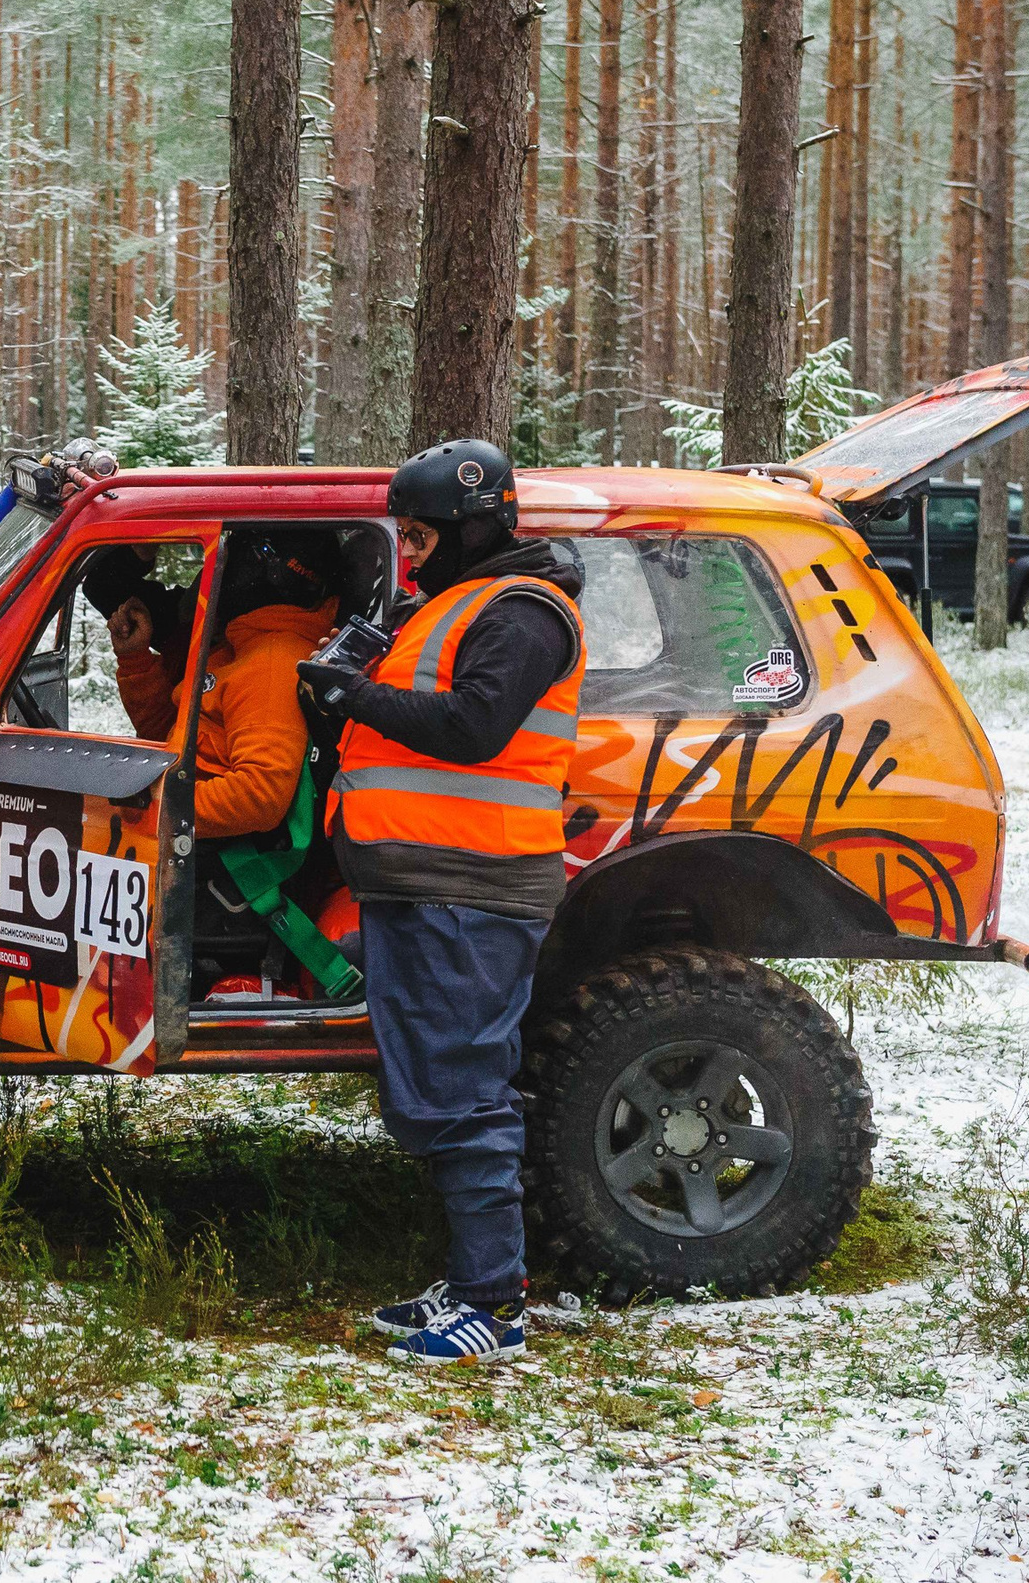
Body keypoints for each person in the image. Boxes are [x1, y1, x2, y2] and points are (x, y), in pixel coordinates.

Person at [297, 440, 584, 1368]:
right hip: (425, 884)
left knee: (464, 1091)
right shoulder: (457, 602)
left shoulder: (523, 612)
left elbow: (474, 727)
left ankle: (493, 1304)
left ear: (472, 525)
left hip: (473, 890)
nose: (410, 555)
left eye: (421, 537)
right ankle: (470, 1280)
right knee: (434, 1087)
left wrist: (355, 697)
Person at [110, 529, 342, 839]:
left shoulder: (271, 662)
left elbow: (260, 795)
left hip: (200, 851)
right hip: (184, 824)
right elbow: (174, 738)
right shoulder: (245, 644)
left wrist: (153, 809)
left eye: (229, 557)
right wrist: (136, 661)